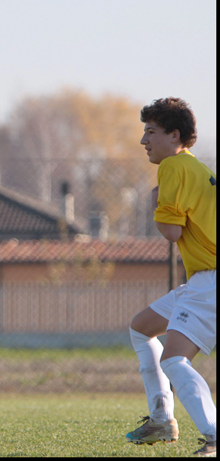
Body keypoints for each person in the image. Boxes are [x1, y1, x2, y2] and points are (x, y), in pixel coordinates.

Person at [126, 97, 216, 457]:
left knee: (174, 360)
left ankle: (213, 435)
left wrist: (155, 203)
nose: (144, 140)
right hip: (203, 281)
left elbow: (171, 232)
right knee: (142, 326)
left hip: (210, 281)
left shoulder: (173, 167)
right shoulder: (196, 168)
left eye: (151, 132)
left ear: (174, 135)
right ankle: (162, 418)